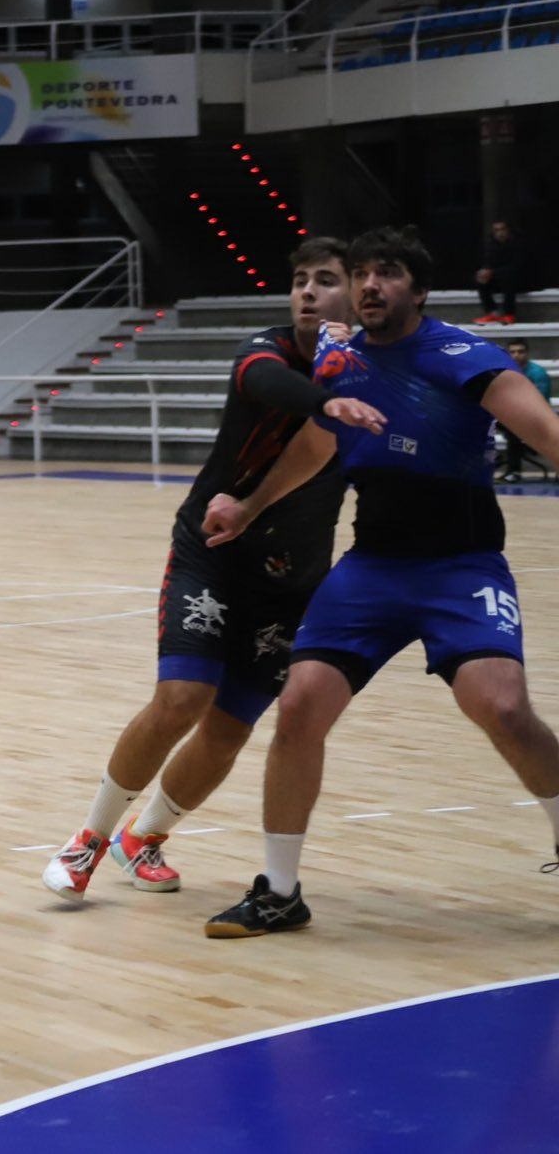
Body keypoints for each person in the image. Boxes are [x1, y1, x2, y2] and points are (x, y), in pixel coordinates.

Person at [200, 227, 559, 938]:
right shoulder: (342, 364)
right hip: (371, 569)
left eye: (386, 273)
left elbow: (548, 436)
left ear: (417, 291)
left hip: (461, 566)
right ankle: (278, 890)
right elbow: (315, 444)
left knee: (504, 707)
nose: (368, 285)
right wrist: (248, 505)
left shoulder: (464, 357)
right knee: (300, 705)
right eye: (360, 273)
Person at [42, 238, 384, 900]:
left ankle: (145, 839)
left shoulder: (375, 374)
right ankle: (89, 838)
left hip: (294, 579)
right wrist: (326, 398)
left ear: (357, 292)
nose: (307, 291)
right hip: (216, 548)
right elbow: (266, 384)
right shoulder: (269, 352)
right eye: (299, 280)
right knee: (181, 699)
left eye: (325, 280)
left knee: (230, 728)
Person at [499, 338, 551, 483]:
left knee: (513, 430)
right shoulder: (502, 371)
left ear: (527, 354)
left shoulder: (537, 373)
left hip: (536, 415)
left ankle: (513, 472)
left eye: (520, 352)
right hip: (509, 414)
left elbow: (539, 404)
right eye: (512, 352)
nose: (516, 355)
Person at [474, 218, 522, 325]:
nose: (500, 233)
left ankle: (509, 314)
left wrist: (493, 272)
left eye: (502, 229)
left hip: (517, 279)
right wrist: (484, 271)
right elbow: (488, 263)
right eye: (496, 230)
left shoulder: (517, 244)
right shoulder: (492, 245)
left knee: (508, 277)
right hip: (499, 278)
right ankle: (492, 312)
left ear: (508, 230)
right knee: (481, 279)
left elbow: (517, 266)